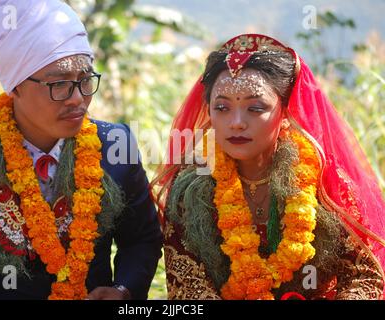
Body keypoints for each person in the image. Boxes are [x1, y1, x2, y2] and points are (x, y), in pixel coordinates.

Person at [0, 0, 162, 300]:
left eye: (85, 80)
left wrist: (123, 290)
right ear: (14, 85)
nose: (77, 99)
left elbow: (142, 241)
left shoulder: (114, 147)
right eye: (59, 84)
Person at [151, 33, 385, 300]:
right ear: (209, 110)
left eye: (255, 108)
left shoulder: (323, 182)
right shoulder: (190, 188)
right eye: (222, 107)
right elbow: (188, 287)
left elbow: (363, 276)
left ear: (285, 111)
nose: (237, 122)